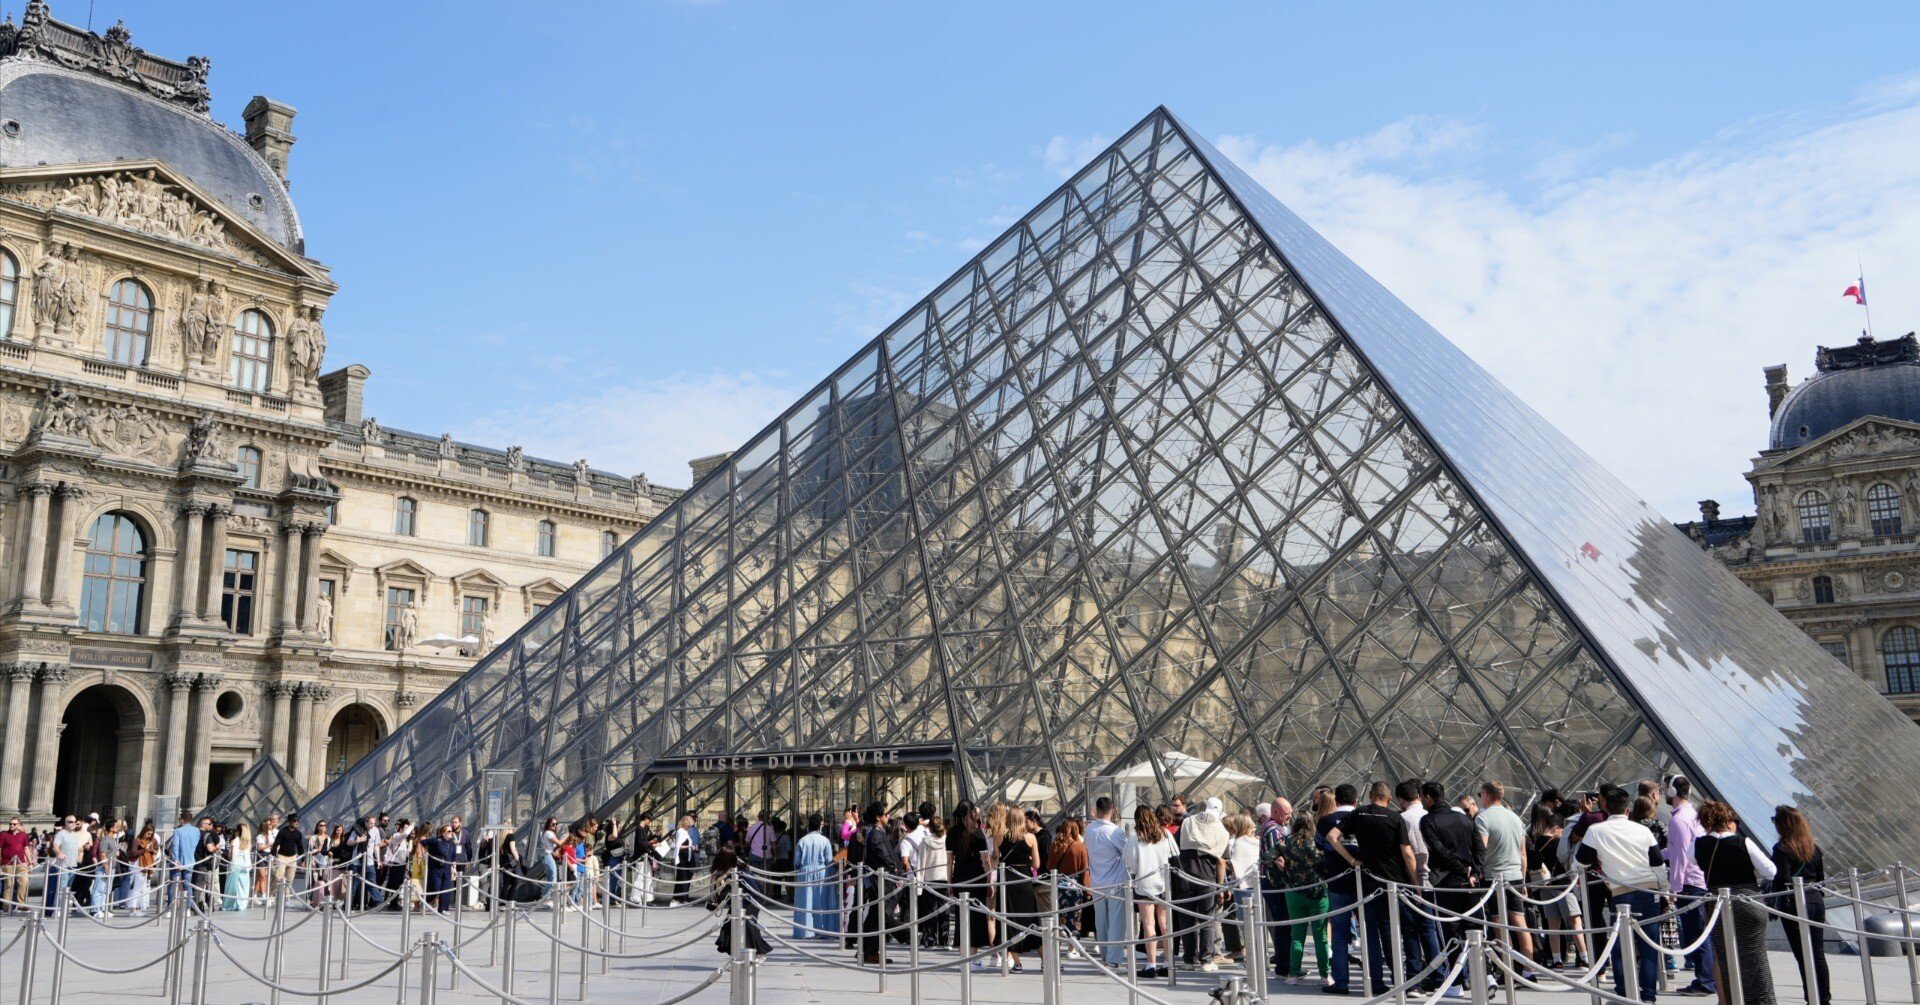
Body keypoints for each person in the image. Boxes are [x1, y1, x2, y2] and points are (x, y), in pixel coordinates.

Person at [1328, 781, 1421, 996]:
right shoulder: (1395, 817)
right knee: (1399, 931)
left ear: (1370, 796)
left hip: (1369, 881)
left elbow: (1332, 837)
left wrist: (1352, 860)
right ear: (1389, 798)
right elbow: (1407, 853)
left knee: (1372, 932)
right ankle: (1404, 980)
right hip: (1394, 882)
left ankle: (1377, 981)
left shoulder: (1358, 814)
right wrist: (1416, 883)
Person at [1575, 786, 1666, 1004]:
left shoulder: (1596, 831)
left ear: (1605, 805)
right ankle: (1648, 996)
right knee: (1649, 946)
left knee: (1618, 946)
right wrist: (1664, 891)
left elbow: (1579, 863)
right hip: (1649, 890)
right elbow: (1658, 864)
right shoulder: (1643, 831)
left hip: (1621, 893)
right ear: (1628, 808)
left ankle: (1623, 994)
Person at [1695, 802, 1776, 1005]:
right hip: (1748, 902)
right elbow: (1771, 871)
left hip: (1717, 905)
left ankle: (1733, 1000)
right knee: (1756, 957)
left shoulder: (1699, 844)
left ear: (1705, 822)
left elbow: (1691, 860)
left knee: (1725, 958)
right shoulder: (1743, 842)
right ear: (1728, 820)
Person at [1420, 781, 1480, 999]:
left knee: (1450, 933)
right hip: (1471, 883)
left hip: (1447, 882)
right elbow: (1479, 848)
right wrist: (1475, 872)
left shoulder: (1428, 820)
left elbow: (1439, 850)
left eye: (1423, 797)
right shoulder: (1464, 818)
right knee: (1475, 930)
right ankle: (1484, 976)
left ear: (1428, 797)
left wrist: (1462, 870)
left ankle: (1456, 982)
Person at [1770, 806, 1829, 1005]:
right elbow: (1820, 879)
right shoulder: (1814, 848)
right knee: (1818, 953)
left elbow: (1782, 879)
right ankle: (1824, 998)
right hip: (1815, 901)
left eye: (1775, 820)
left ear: (1783, 825)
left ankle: (1812, 998)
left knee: (1803, 954)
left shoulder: (1782, 849)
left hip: (1794, 903)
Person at [1475, 782, 1535, 977]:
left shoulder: (1483, 818)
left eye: (1480, 795)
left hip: (1493, 877)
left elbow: (1481, 849)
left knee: (1499, 921)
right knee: (1519, 920)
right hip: (1516, 876)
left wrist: (1477, 871)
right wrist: (1523, 880)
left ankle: (1507, 970)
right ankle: (1529, 969)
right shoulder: (1515, 818)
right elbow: (1523, 854)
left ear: (1486, 794)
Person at [1666, 777, 1717, 998]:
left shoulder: (1679, 820)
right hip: (1699, 881)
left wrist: (1674, 888)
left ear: (1671, 791)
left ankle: (1706, 981)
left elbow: (1680, 857)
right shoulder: (1693, 814)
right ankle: (1709, 978)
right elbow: (1677, 850)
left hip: (1690, 884)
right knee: (1700, 933)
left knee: (1695, 935)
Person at [1280, 795, 1332, 986]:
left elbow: (1268, 857)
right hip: (1317, 892)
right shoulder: (1316, 842)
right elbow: (1324, 863)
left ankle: (1293, 975)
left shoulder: (1286, 841)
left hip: (1293, 892)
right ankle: (1325, 975)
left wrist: (1283, 874)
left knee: (1297, 935)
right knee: (1320, 936)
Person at [1530, 803, 1588, 971]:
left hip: (1545, 887)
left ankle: (1556, 960)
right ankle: (1584, 957)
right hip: (1563, 887)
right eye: (1561, 831)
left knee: (1552, 925)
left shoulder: (1537, 842)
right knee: (1575, 921)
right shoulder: (1557, 844)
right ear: (1556, 828)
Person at [1175, 797, 1231, 970]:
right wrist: (1220, 887)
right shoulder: (1221, 830)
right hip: (1207, 878)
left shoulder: (1187, 822)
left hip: (1185, 875)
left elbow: (1176, 847)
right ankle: (1206, 960)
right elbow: (1221, 861)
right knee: (1207, 920)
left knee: (1187, 920)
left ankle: (1189, 959)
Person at [1318, 783, 1359, 996]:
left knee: (1339, 934)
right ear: (1356, 801)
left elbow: (1319, 846)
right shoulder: (1363, 817)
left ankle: (1341, 982)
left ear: (1336, 800)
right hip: (1365, 882)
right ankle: (1376, 980)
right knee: (1371, 931)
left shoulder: (1325, 821)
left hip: (1337, 882)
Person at [1126, 804, 1174, 980]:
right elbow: (1173, 854)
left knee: (1148, 924)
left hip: (1144, 882)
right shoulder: (1164, 833)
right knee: (1164, 923)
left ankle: (1151, 964)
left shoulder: (1135, 836)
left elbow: (1130, 862)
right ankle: (1168, 962)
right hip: (1164, 881)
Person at [1084, 796, 1131, 967]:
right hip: (1115, 882)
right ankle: (1113, 959)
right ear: (1113, 810)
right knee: (1116, 922)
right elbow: (1127, 853)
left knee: (1101, 922)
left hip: (1097, 881)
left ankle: (1105, 956)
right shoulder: (1115, 832)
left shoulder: (1089, 830)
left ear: (1096, 810)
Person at [707, 845, 771, 958]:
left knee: (747, 925)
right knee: (729, 924)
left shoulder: (740, 870)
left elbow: (755, 890)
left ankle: (754, 953)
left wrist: (743, 906)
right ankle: (740, 954)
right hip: (739, 901)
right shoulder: (723, 871)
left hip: (752, 900)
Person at [999, 811, 1043, 972]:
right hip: (1024, 880)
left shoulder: (1000, 836)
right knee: (1031, 921)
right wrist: (1027, 861)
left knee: (1010, 922)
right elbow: (1037, 864)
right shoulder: (1030, 838)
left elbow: (995, 857)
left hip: (1007, 881)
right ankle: (1045, 960)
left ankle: (1017, 963)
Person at [792, 813, 840, 939]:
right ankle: (822, 929)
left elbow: (797, 861)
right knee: (822, 901)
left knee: (805, 901)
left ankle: (805, 931)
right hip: (821, 871)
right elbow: (829, 860)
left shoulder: (802, 840)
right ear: (819, 826)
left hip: (805, 872)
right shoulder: (825, 840)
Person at [1048, 817, 1090, 950]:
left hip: (1058, 885)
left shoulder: (1055, 845)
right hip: (1074, 886)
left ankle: (1057, 943)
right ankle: (1072, 948)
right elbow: (1084, 869)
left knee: (1059, 915)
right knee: (1075, 917)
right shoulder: (1080, 846)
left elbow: (1050, 866)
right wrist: (1087, 890)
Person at [1223, 812, 1259, 962]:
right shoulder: (1257, 842)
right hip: (1257, 887)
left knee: (1246, 926)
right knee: (1258, 925)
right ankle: (1258, 955)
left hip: (1242, 888)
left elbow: (1235, 867)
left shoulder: (1237, 843)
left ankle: (1251, 958)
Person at [921, 816, 950, 947]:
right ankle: (944, 939)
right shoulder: (947, 840)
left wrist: (920, 882)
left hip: (929, 878)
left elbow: (922, 862)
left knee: (930, 911)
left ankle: (930, 939)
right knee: (945, 909)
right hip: (944, 878)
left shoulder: (925, 841)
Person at [422, 824, 458, 912]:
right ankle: (426, 902)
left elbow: (453, 857)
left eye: (451, 831)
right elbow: (421, 843)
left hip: (447, 869)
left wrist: (454, 868)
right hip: (436, 868)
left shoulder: (452, 843)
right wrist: (423, 855)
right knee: (435, 887)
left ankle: (443, 909)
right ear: (443, 833)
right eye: (449, 831)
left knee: (446, 889)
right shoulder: (436, 840)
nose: (451, 832)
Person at [127, 823, 158, 916]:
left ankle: (136, 908)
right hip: (139, 864)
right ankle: (133, 909)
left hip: (147, 864)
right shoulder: (137, 840)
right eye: (148, 834)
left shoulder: (151, 840)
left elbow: (156, 848)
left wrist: (153, 850)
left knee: (141, 887)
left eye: (151, 834)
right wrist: (145, 850)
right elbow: (134, 853)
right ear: (144, 832)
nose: (149, 836)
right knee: (137, 886)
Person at [0, 818, 29, 912]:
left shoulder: (23, 835)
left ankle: (21, 904)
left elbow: (26, 849)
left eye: (14, 824)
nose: (11, 825)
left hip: (21, 863)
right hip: (7, 863)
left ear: (19, 825)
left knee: (24, 882)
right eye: (10, 824)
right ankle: (6, 906)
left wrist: (30, 862)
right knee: (9, 885)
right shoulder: (4, 835)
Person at [223, 824, 253, 911]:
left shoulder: (234, 841)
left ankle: (229, 905)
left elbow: (230, 855)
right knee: (243, 886)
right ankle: (241, 904)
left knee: (231, 886)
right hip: (245, 865)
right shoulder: (248, 842)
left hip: (235, 864)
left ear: (238, 831)